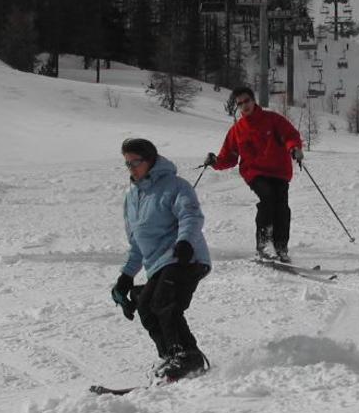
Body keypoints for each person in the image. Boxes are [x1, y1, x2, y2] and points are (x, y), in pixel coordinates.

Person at [113, 138, 211, 381]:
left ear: (151, 160)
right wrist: (126, 276)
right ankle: (172, 357)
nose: (132, 168)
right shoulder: (132, 198)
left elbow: (191, 215)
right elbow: (137, 243)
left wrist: (185, 241)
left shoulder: (175, 186)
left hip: (185, 258)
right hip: (158, 265)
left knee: (163, 302)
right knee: (146, 307)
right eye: (127, 163)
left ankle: (186, 357)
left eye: (136, 161)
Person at [204, 86, 304, 262]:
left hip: (279, 171)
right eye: (239, 103)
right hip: (254, 172)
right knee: (267, 197)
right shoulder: (237, 130)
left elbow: (290, 135)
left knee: (281, 207)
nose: (244, 106)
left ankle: (281, 246)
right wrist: (215, 162)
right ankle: (264, 244)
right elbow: (229, 157)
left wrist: (294, 148)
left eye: (246, 101)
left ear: (254, 100)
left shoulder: (272, 119)